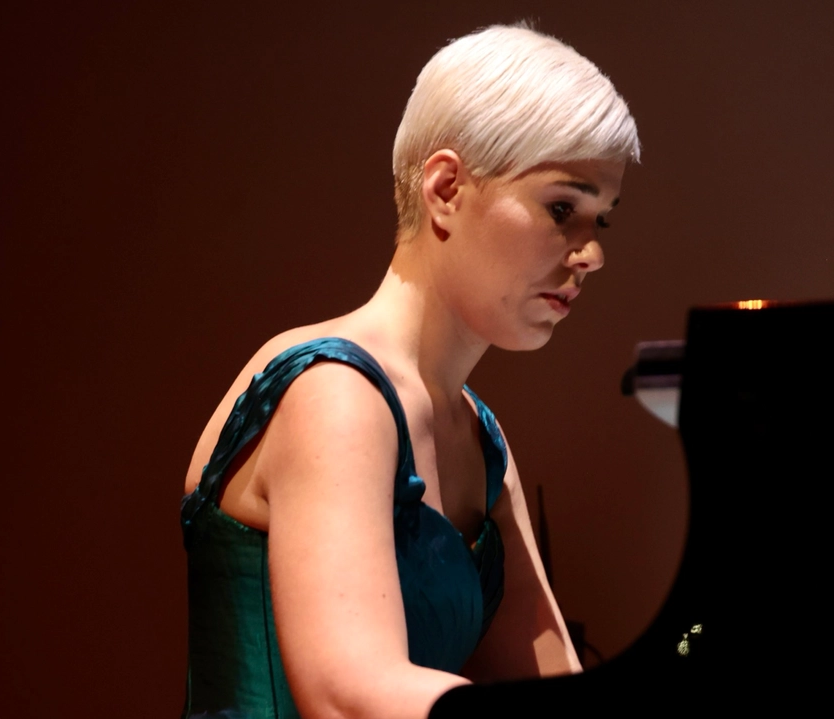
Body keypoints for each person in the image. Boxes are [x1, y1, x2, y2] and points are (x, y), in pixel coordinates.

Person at [180, 22, 640, 719]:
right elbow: (348, 694)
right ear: (446, 188)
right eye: (561, 209)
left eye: (599, 221)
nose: (591, 254)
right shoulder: (333, 393)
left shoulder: (481, 439)